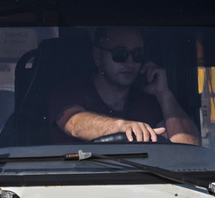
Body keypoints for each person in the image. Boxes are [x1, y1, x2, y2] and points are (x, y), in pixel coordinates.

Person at [48, 26, 197, 144]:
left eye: (137, 54)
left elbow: (188, 150)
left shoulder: (148, 103)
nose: (130, 62)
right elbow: (74, 124)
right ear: (98, 56)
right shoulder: (70, 92)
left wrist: (164, 93)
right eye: (120, 53)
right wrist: (123, 127)